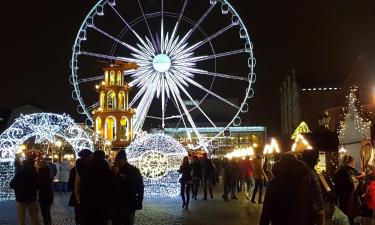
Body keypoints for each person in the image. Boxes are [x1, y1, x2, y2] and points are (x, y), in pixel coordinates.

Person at [260, 153, 312, 225]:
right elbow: (310, 206)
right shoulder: (303, 181)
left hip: (279, 220)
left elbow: (267, 209)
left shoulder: (275, 183)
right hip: (300, 220)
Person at [79, 150, 114, 225]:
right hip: (103, 201)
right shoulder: (106, 167)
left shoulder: (88, 167)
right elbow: (111, 185)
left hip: (89, 201)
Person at [112, 150, 144, 225]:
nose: (115, 162)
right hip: (117, 203)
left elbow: (140, 187)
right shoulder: (114, 170)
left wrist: (139, 201)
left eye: (117, 160)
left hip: (128, 203)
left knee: (127, 221)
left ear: (123, 160)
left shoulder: (133, 171)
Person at [10, 157, 41, 225]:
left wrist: (19, 189)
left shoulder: (21, 172)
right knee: (35, 219)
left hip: (21, 199)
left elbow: (12, 184)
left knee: (22, 220)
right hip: (32, 198)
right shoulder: (35, 172)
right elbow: (39, 185)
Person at [334, 155, 361, 223]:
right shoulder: (350, 171)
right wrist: (360, 178)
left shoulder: (338, 171)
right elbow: (354, 183)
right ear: (352, 162)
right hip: (350, 198)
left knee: (341, 215)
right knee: (349, 216)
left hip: (340, 197)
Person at [301, 150, 326, 225]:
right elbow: (311, 193)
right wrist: (319, 209)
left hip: (315, 209)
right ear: (312, 159)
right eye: (317, 158)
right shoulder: (306, 173)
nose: (318, 160)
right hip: (312, 211)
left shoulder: (311, 171)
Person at [37, 160, 54, 225]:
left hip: (43, 194)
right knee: (47, 210)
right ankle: (48, 222)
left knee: (44, 211)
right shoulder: (49, 172)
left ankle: (46, 222)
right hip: (49, 194)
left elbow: (39, 184)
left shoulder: (40, 172)